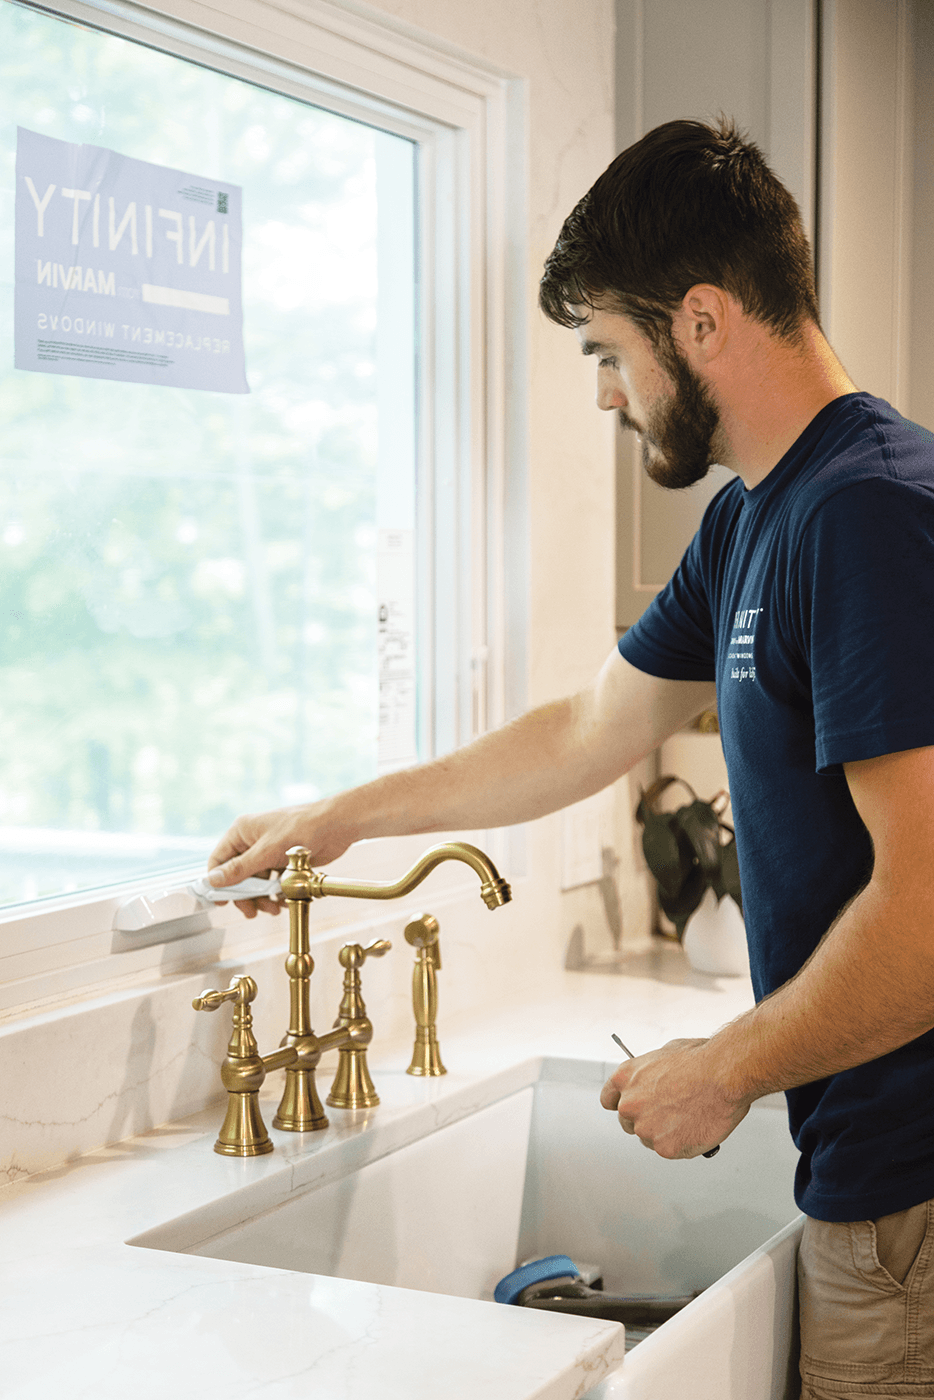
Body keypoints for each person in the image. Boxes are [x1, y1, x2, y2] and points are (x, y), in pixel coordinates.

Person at [208, 118, 934, 1397]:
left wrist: (725, 1069)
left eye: (609, 349)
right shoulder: (757, 517)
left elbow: (928, 905)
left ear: (701, 322)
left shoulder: (866, 513)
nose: (605, 391)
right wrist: (343, 816)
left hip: (910, 1213)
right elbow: (587, 729)